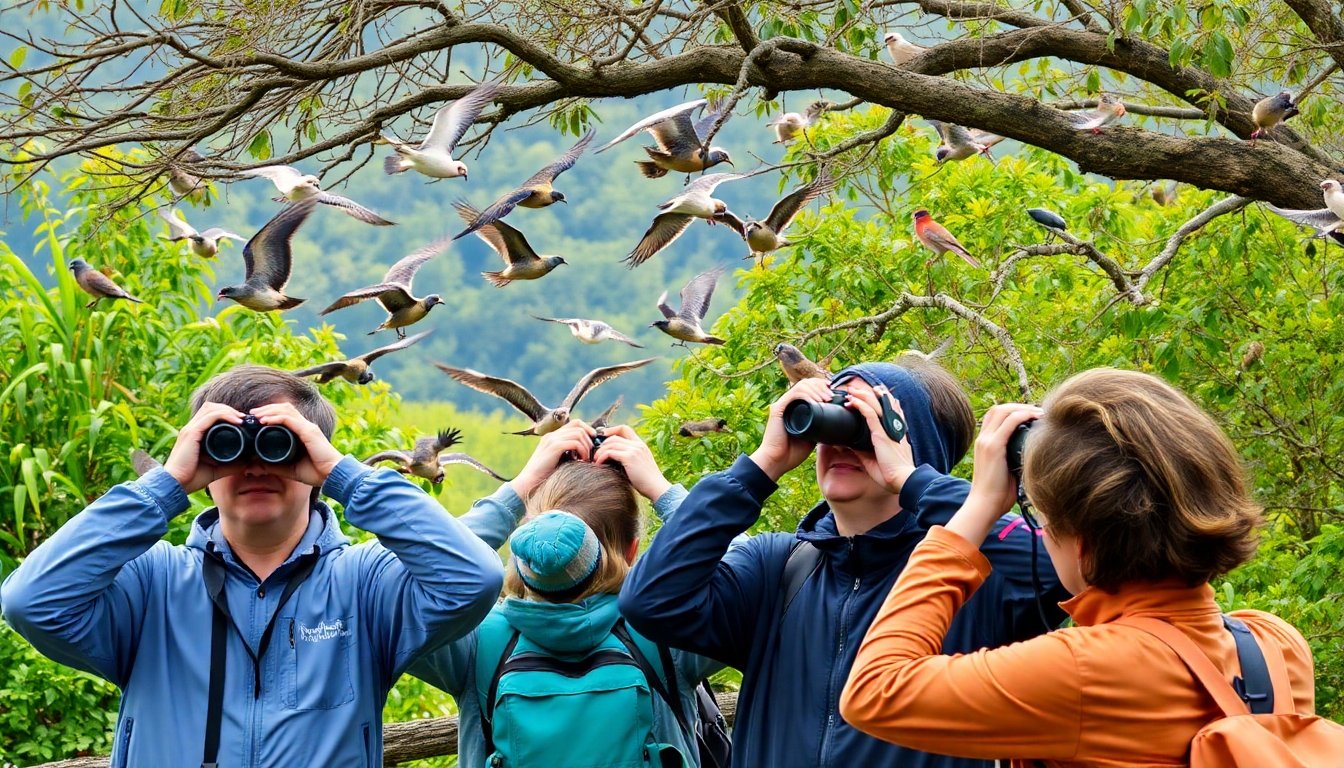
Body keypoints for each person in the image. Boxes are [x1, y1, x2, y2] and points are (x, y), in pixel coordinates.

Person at [0, 365, 504, 767]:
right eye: (227, 445)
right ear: (197, 452)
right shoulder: (150, 582)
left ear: (313, 452)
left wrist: (343, 476)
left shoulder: (365, 584)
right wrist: (163, 488)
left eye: (280, 445)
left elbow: (473, 580)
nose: (255, 465)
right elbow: (30, 601)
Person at [840, 367, 1317, 764]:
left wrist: (980, 505)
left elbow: (874, 691)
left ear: (1082, 544)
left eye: (1044, 524)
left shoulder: (1083, 668)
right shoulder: (1274, 643)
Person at [620, 354, 1067, 767]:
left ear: (919, 448)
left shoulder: (970, 575)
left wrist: (913, 482)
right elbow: (650, 601)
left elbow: (1062, 567)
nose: (840, 442)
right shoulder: (778, 567)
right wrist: (761, 465)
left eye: (867, 425)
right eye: (833, 418)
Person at [410, 420, 721, 767]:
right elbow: (748, 575)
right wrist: (662, 490)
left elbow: (395, 582)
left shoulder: (476, 643)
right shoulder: (665, 631)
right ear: (632, 551)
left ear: (524, 547)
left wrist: (517, 489)